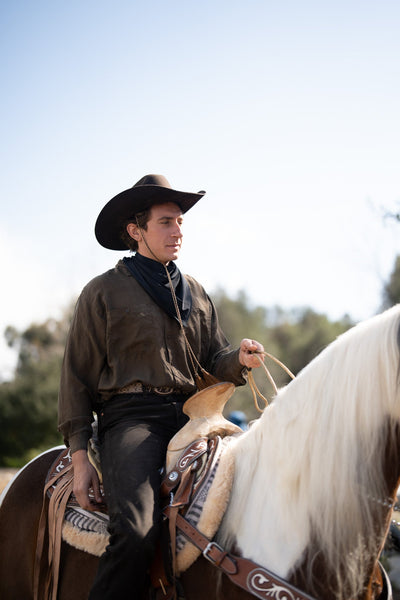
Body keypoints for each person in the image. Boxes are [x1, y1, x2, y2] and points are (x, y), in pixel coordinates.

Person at [58, 174, 265, 599]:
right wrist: (80, 457)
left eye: (181, 223)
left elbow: (212, 361)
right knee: (136, 532)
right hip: (132, 422)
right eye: (167, 222)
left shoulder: (196, 293)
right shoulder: (102, 292)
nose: (178, 231)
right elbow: (76, 377)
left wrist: (238, 359)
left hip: (196, 418)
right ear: (136, 231)